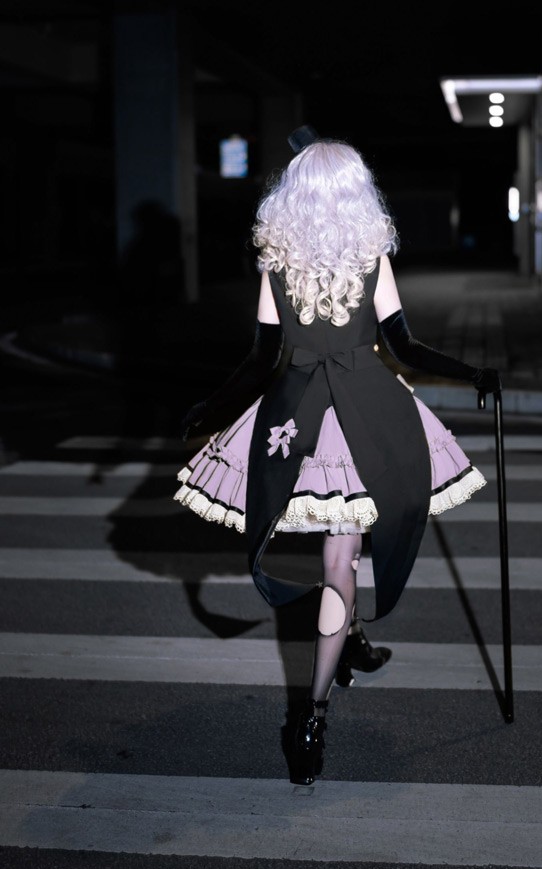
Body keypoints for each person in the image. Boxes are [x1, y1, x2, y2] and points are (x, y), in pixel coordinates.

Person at [174, 126, 501, 785]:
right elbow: (404, 349)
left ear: (293, 195)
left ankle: (345, 651)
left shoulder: (278, 264)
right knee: (340, 561)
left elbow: (262, 361)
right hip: (368, 411)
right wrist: (472, 372)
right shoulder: (370, 259)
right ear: (357, 195)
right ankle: (312, 712)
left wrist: (212, 407)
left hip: (296, 412)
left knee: (334, 558)